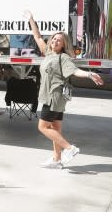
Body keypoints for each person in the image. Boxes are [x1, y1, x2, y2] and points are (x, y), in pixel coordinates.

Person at [25, 10, 104, 169]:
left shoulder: (64, 58)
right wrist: (31, 20)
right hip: (56, 97)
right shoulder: (48, 53)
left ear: (63, 44)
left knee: (43, 127)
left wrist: (89, 75)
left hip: (54, 97)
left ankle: (70, 148)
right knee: (55, 128)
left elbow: (75, 71)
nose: (54, 41)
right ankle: (56, 160)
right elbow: (38, 37)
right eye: (54, 38)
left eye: (58, 40)